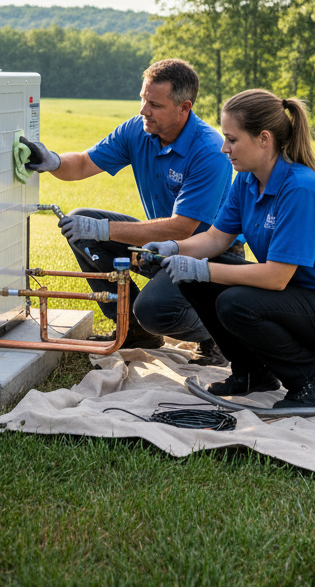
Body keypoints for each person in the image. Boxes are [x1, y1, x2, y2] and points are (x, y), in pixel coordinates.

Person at [140, 90, 315, 407]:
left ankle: (312, 377)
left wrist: (201, 268)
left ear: (263, 139)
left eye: (232, 139)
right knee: (195, 278)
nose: (224, 148)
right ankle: (252, 372)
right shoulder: (246, 181)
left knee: (234, 301)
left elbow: (276, 278)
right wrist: (171, 248)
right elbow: (216, 239)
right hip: (294, 296)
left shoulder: (300, 188)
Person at [19, 59, 239, 362]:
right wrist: (53, 160)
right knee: (81, 221)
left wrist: (103, 230)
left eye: (154, 104)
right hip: (161, 246)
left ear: (184, 107)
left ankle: (220, 330)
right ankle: (136, 329)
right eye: (142, 99)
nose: (143, 110)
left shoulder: (209, 150)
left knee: (155, 310)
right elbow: (83, 163)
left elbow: (182, 228)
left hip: (209, 253)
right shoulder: (138, 130)